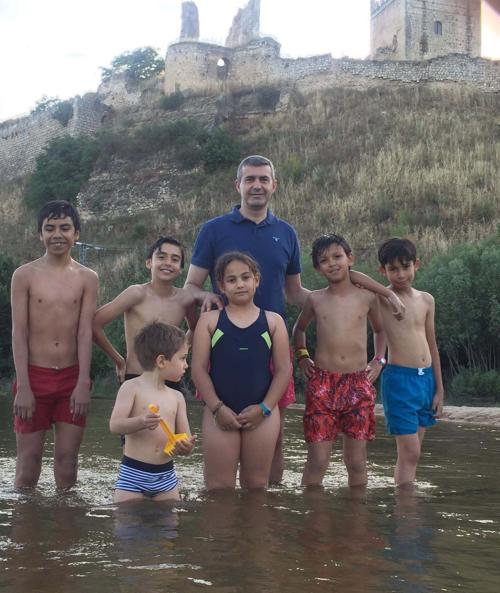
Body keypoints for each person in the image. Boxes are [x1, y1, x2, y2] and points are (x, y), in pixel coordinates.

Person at [184, 154, 405, 484]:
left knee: (273, 441)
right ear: (238, 185)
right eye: (250, 179)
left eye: (263, 179)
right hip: (223, 341)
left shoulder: (286, 233)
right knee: (223, 428)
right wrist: (209, 296)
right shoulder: (213, 230)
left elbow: (296, 292)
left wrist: (344, 297)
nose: (256, 185)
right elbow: (190, 287)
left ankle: (269, 517)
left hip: (273, 342)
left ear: (274, 185)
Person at [11, 200, 99, 489]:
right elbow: (19, 331)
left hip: (72, 378)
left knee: (68, 463)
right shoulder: (24, 275)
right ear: (40, 234)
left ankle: (64, 531)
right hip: (34, 376)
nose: (57, 234)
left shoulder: (88, 278)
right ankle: (26, 530)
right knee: (28, 464)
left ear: (77, 233)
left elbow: (85, 331)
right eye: (49, 228)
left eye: (65, 228)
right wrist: (23, 386)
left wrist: (83, 382)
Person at [191, 252, 291, 490]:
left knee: (256, 486)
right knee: (218, 487)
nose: (240, 284)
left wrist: (264, 408)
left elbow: (284, 370)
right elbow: (198, 369)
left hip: (263, 411)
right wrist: (217, 408)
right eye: (232, 280)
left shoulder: (274, 321)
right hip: (220, 410)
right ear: (221, 287)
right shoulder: (209, 321)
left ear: (257, 280)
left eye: (245, 277)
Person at [293, 234, 386, 488]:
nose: (332, 263)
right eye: (324, 260)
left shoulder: (367, 297)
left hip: (358, 384)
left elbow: (380, 331)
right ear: (317, 268)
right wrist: (302, 355)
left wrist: (379, 359)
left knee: (356, 463)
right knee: (317, 462)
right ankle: (313, 522)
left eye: (337, 256)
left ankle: (356, 524)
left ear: (349, 259)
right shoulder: (316, 299)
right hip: (322, 384)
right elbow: (298, 329)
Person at [377, 238, 444, 486]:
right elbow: (354, 278)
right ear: (382, 271)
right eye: (393, 269)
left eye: (406, 266)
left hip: (425, 380)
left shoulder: (427, 300)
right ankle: (406, 510)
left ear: (417, 265)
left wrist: (440, 389)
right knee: (410, 452)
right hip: (399, 381)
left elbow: (432, 344)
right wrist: (388, 294)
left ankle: (407, 502)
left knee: (414, 455)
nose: (401, 274)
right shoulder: (381, 299)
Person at [93, 236, 197, 384]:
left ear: (181, 268)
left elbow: (194, 329)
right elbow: (95, 324)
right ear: (149, 262)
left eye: (175, 259)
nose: (168, 263)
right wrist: (119, 361)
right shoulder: (136, 294)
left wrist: (179, 355)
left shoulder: (185, 300)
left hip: (168, 380)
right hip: (136, 378)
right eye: (161, 257)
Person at [109, 322, 195, 502]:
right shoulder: (131, 388)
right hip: (133, 474)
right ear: (161, 361)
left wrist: (186, 447)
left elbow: (185, 439)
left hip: (166, 476)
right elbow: (115, 425)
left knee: (168, 527)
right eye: (182, 358)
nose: (186, 365)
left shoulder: (177, 397)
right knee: (127, 524)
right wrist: (140, 421)